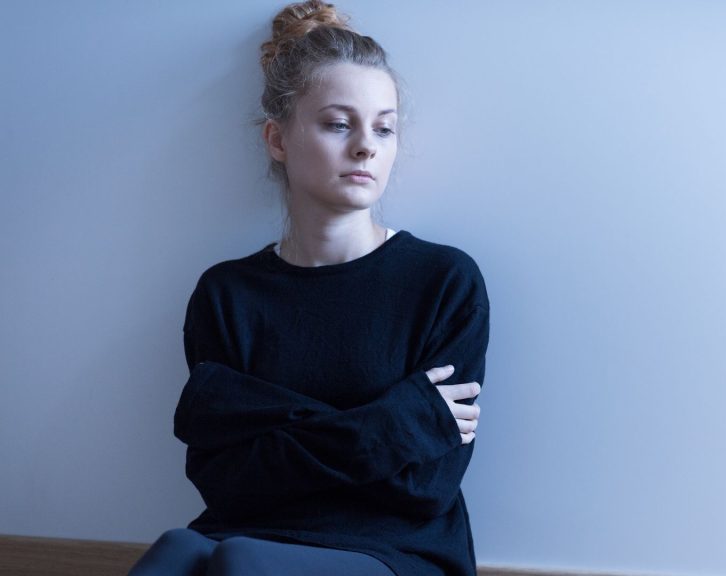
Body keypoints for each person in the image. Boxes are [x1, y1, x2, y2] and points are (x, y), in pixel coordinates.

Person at [127, 1, 490, 575]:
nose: (366, 146)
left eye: (384, 127)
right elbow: (223, 481)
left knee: (242, 562)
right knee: (177, 553)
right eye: (339, 124)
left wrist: (280, 433)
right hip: (245, 530)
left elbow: (424, 486)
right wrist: (393, 424)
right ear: (278, 139)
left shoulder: (443, 282)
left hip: (397, 547)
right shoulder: (227, 295)